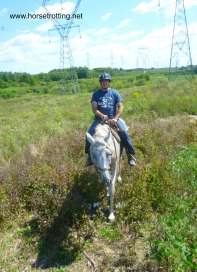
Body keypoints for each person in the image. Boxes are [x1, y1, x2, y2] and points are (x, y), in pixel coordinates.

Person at [85, 72, 136, 166]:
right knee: (89, 133)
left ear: (109, 82)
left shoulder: (115, 93)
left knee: (124, 132)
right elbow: (94, 109)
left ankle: (130, 155)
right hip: (100, 120)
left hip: (113, 119)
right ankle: (89, 156)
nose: (104, 83)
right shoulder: (96, 94)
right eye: (102, 81)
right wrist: (102, 115)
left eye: (106, 81)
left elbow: (120, 107)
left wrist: (116, 118)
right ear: (100, 82)